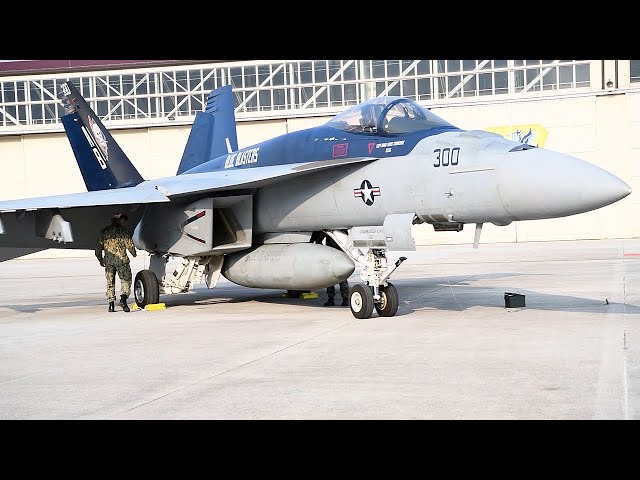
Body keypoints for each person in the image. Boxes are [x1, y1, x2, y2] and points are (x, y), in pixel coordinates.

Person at [95, 212, 137, 312]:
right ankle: (123, 299)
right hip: (122, 260)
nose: (124, 221)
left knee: (110, 282)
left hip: (109, 261)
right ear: (120, 220)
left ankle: (111, 304)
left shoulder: (104, 232)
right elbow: (129, 245)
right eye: (123, 219)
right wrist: (133, 253)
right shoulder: (124, 231)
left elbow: (98, 248)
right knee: (126, 280)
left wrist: (100, 259)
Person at [310, 231, 350, 307]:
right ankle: (345, 299)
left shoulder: (330, 230)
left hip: (332, 254)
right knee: (342, 278)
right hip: (340, 254)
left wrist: (321, 248)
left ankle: (332, 299)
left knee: (331, 277)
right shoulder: (341, 230)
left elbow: (318, 239)